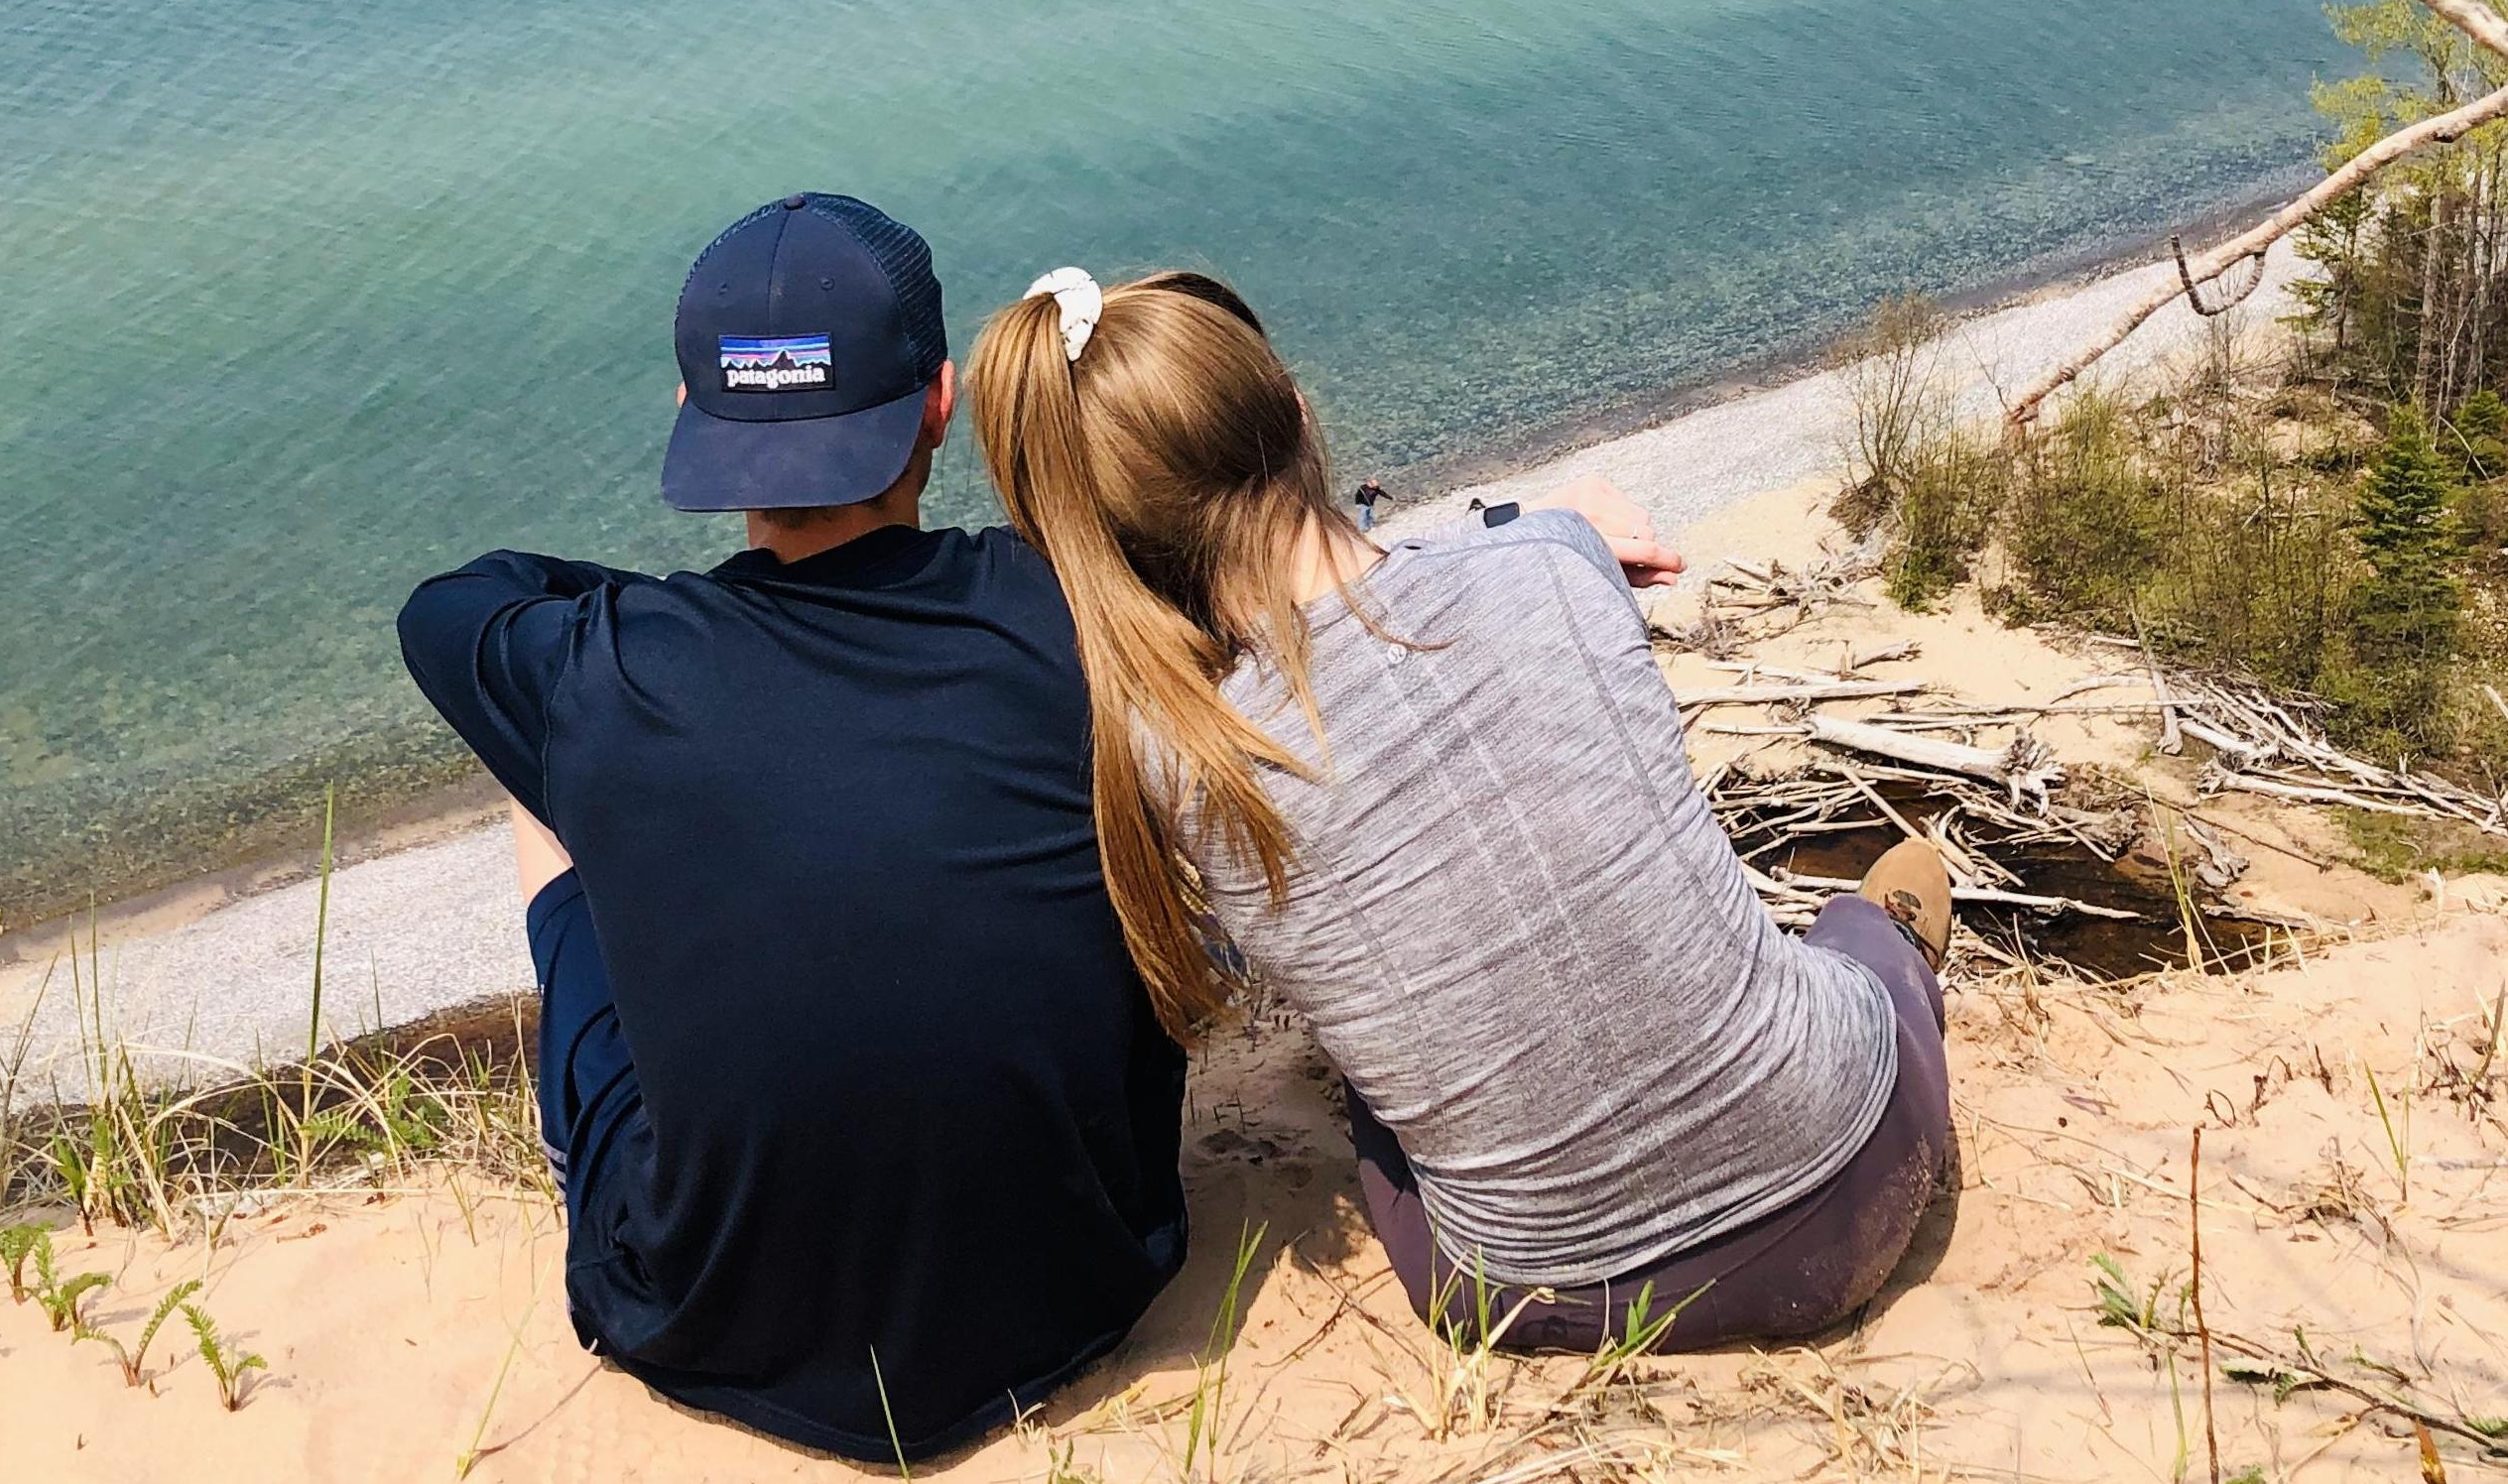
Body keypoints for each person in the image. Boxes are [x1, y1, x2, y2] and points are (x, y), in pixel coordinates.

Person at [966, 266, 1951, 1353]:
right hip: (1863, 1174)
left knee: (1382, 1108)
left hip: (1554, 1300)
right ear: (1298, 412)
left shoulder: (1179, 763)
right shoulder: (1549, 566)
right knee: (1862, 937)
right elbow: (1418, 587)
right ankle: (1892, 934)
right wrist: (1551, 523)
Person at [397, 199, 1187, 1460]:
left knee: (553, 778)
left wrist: (668, 614)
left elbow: (452, 604)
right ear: (940, 402)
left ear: (687, 415)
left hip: (708, 1320)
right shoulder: (1067, 609)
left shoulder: (612, 666)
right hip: (1084, 1275)